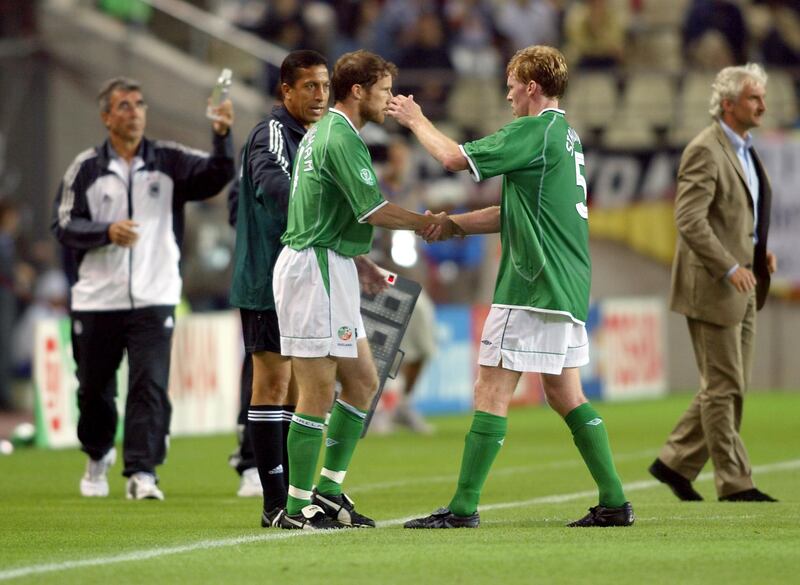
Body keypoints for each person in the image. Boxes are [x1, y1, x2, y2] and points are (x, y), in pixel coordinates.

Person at [388, 45, 635, 528]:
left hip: (531, 283)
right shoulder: (566, 138)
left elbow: (453, 158)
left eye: (511, 86)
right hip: (567, 284)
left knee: (490, 389)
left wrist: (415, 119)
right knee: (565, 394)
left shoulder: (533, 130)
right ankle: (613, 501)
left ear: (531, 87)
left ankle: (463, 508)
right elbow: (513, 213)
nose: (507, 96)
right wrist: (453, 224)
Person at [272, 49, 461, 530]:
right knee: (317, 391)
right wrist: (429, 223)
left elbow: (327, 210)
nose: (389, 100)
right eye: (384, 91)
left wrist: (359, 261)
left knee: (362, 382)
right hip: (313, 268)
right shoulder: (339, 137)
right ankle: (296, 508)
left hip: (332, 262)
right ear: (358, 91)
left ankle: (329, 491)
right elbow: (372, 209)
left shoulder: (327, 134)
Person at [51, 77, 234, 500]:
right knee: (93, 389)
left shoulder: (168, 159)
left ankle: (142, 472)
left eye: (139, 104)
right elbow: (62, 224)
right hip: (98, 298)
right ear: (106, 117)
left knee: (148, 384)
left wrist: (222, 135)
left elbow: (216, 175)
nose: (134, 112)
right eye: (124, 105)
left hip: (156, 294)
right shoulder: (85, 168)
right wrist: (106, 232)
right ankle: (98, 453)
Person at [648, 64, 778, 503]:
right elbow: (689, 219)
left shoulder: (744, 150)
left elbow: (737, 218)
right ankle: (735, 482)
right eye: (754, 98)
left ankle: (674, 462)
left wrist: (757, 254)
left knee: (728, 385)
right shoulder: (705, 149)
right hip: (712, 284)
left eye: (762, 97)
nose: (763, 105)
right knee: (724, 387)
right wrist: (728, 266)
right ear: (728, 104)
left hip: (744, 281)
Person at [228, 50, 331, 524]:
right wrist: (327, 212)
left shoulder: (315, 137)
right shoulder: (271, 134)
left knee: (296, 388)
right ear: (285, 90)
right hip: (268, 279)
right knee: (272, 382)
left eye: (325, 86)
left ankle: (296, 496)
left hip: (301, 278)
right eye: (309, 86)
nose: (320, 95)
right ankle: (274, 504)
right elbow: (274, 188)